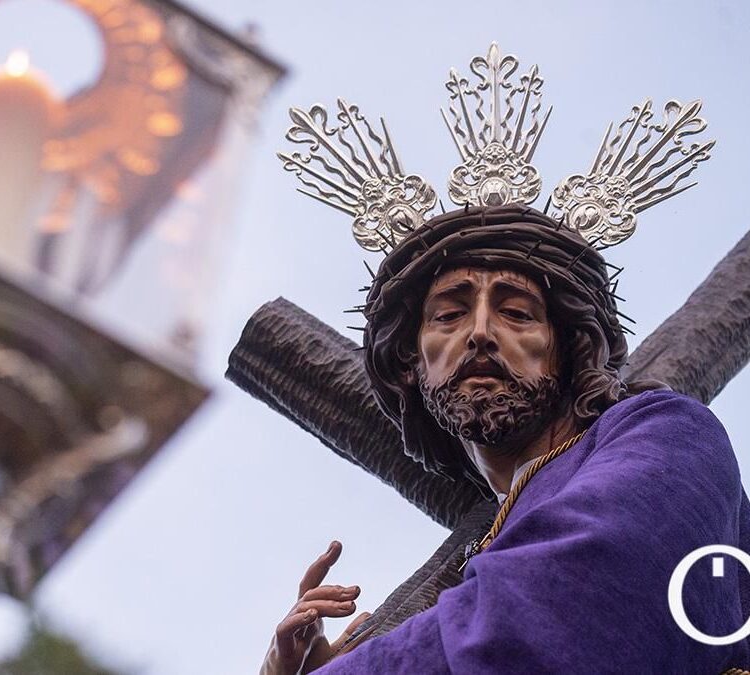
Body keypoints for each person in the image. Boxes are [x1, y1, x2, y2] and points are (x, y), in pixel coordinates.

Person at [258, 205, 750, 674]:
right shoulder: (490, 531)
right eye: (448, 316)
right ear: (413, 364)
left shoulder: (665, 430)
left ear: (567, 347)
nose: (479, 333)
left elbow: (561, 611)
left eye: (516, 312)